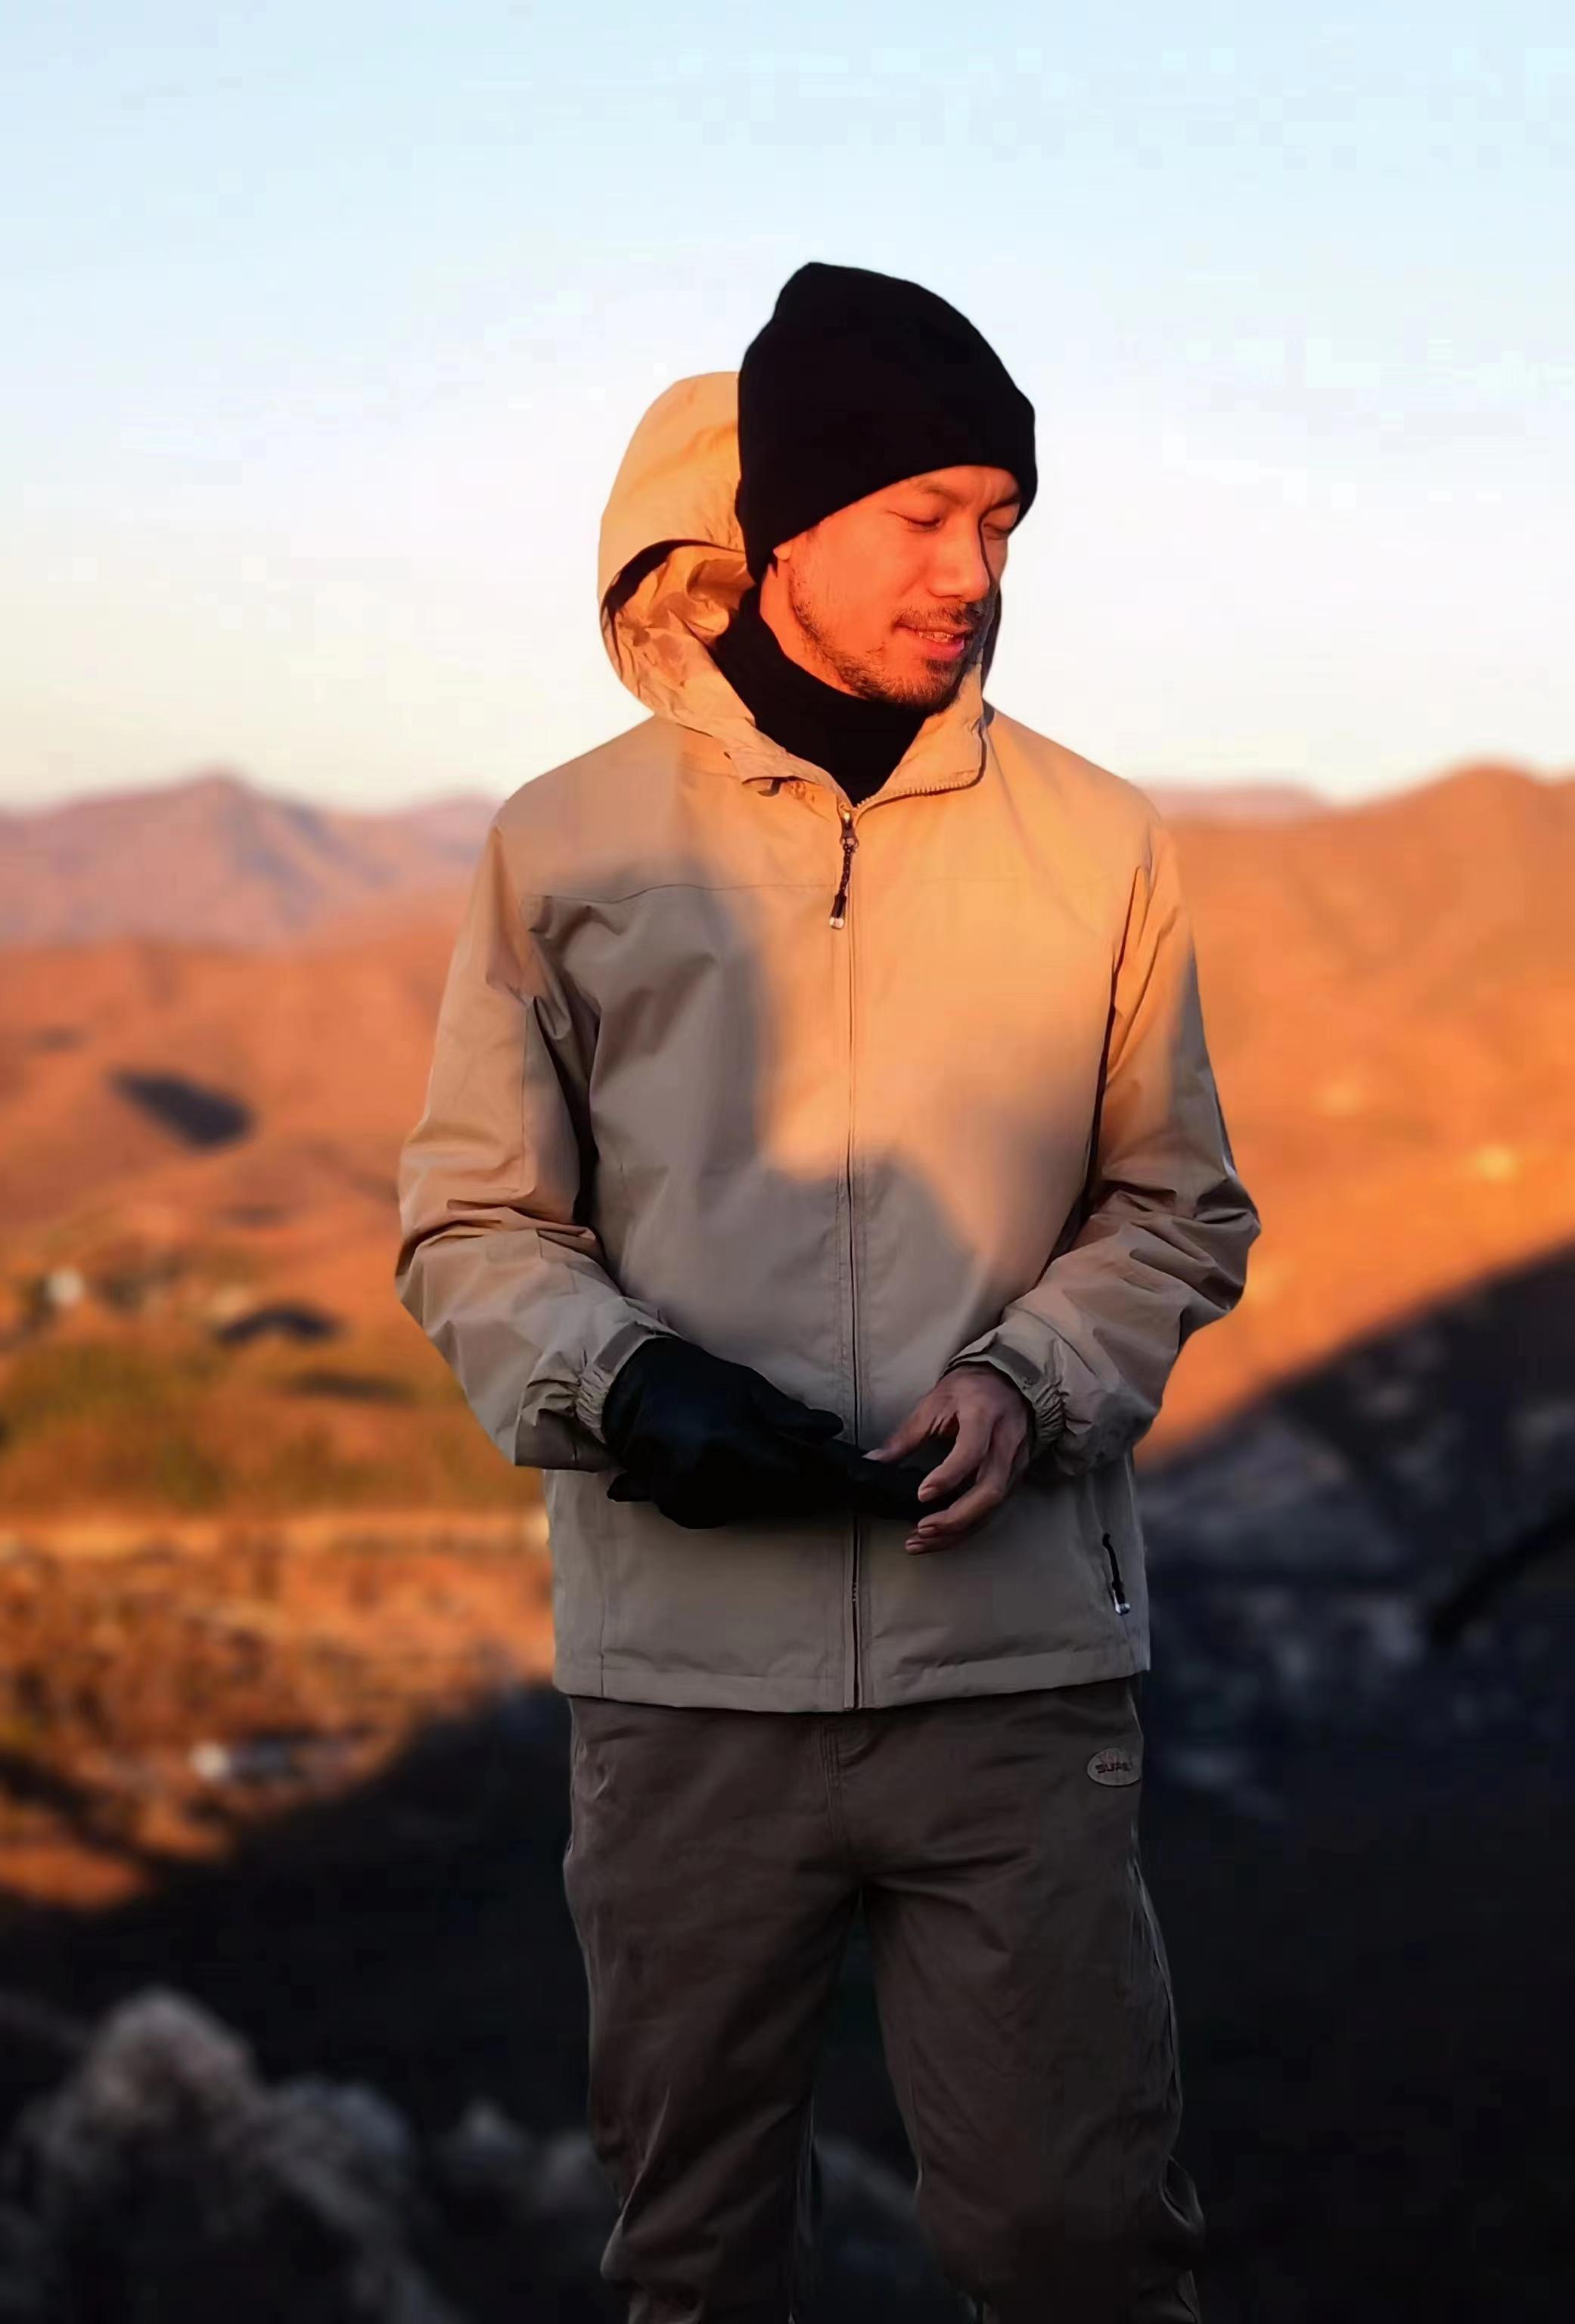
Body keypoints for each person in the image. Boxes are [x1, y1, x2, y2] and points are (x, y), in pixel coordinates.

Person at [395, 260, 1261, 2324]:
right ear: (781, 524)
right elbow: (470, 1224)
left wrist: (1033, 1378)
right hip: (685, 1690)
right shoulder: (564, 846)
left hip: (1010, 1680)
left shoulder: (1098, 843)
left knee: (1076, 2252)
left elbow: (1175, 1207)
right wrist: (624, 1384)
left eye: (1001, 519)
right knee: (696, 2267)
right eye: (921, 514)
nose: (973, 569)